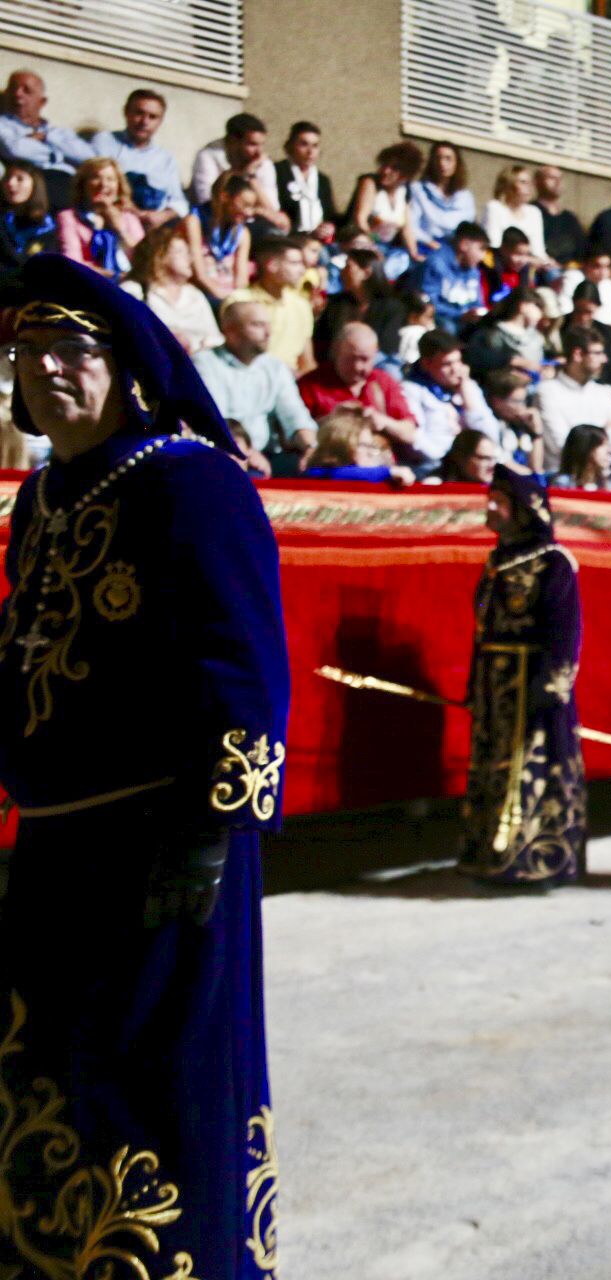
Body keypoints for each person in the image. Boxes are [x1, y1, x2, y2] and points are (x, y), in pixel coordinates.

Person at [0, 251, 289, 1280]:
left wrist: (214, 829)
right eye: (25, 352)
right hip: (51, 852)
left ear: (124, 363)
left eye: (67, 348)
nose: (43, 370)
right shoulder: (39, 500)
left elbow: (245, 662)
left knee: (154, 1082)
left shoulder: (193, 482)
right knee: (52, 1067)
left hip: (164, 851)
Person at [460, 462, 587, 886]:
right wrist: (474, 683)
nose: (489, 507)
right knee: (492, 766)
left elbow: (564, 630)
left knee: (530, 769)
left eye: (498, 500)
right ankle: (488, 852)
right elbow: (482, 631)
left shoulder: (553, 563)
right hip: (496, 686)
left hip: (532, 684)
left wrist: (552, 684)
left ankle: (534, 859)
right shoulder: (495, 562)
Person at [193, 299, 316, 475]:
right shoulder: (206, 363)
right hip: (224, 453)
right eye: (257, 325)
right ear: (230, 330)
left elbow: (295, 415)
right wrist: (247, 452)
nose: (268, 333)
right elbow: (216, 420)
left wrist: (310, 449)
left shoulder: (275, 367)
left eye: (268, 325)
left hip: (268, 454)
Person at [297, 321, 417, 458]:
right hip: (331, 466)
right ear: (336, 351)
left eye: (365, 359)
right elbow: (291, 435)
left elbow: (410, 433)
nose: (357, 366)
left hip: (375, 465)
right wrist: (332, 422)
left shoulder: (383, 382)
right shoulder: (310, 384)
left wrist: (383, 421)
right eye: (350, 359)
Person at [91, 88, 189, 227]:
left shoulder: (165, 159)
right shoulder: (105, 141)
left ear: (160, 121)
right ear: (126, 112)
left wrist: (162, 216)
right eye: (139, 113)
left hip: (150, 226)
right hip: (111, 218)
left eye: (152, 117)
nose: (144, 121)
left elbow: (179, 202)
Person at [401, 329, 500, 464]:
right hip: (434, 465)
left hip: (471, 465)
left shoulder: (468, 387)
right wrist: (447, 460)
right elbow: (416, 439)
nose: (456, 370)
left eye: (458, 361)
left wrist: (466, 394)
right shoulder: (411, 390)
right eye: (447, 364)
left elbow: (491, 436)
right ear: (426, 364)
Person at [125, 218, 220, 354]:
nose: (190, 259)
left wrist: (196, 347)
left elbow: (215, 338)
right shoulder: (135, 291)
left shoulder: (194, 295)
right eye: (181, 252)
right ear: (159, 256)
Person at [536, 327, 611, 461]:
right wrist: (605, 430)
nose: (604, 359)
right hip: (565, 478)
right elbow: (562, 446)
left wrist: (582, 435)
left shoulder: (602, 392)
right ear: (578, 354)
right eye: (597, 353)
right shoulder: (547, 392)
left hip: (604, 475)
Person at [0, 69, 92, 205]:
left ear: (42, 102)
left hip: (69, 183)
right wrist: (59, 154)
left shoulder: (58, 132)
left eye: (27, 90)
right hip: (35, 185)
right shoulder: (3, 125)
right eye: (13, 88)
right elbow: (14, 149)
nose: (18, 94)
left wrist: (46, 137)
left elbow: (89, 158)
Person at [229, 235, 316, 373]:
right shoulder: (240, 301)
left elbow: (307, 362)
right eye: (294, 263)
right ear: (272, 265)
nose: (302, 270)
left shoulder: (301, 305)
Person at [189, 112, 286, 230]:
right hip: (214, 223)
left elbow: (272, 209)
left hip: (250, 221)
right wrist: (241, 175)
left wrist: (251, 178)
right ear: (233, 141)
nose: (259, 152)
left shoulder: (262, 162)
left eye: (262, 144)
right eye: (252, 144)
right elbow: (208, 200)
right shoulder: (208, 156)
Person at [56, 156, 143, 280]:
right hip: (88, 284)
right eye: (96, 177)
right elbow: (72, 263)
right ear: (83, 185)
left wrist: (120, 229)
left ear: (119, 186)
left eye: (110, 179)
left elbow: (145, 260)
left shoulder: (129, 219)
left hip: (129, 287)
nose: (103, 184)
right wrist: (116, 276)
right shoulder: (69, 217)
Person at [348, 141, 424, 277]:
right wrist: (373, 248)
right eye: (385, 165)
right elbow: (360, 220)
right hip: (363, 242)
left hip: (388, 247)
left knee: (406, 261)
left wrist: (414, 253)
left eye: (394, 168)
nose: (386, 171)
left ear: (405, 175)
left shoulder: (404, 192)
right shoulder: (370, 183)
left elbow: (406, 227)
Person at [301, 404, 416, 486]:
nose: (370, 452)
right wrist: (388, 472)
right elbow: (338, 474)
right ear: (342, 447)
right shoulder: (319, 473)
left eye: (371, 446)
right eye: (364, 445)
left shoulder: (369, 477)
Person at [191, 170, 256, 302]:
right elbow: (199, 275)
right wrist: (222, 297)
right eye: (245, 205)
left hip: (229, 296)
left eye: (252, 207)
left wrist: (237, 299)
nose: (249, 212)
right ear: (224, 197)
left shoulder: (242, 233)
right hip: (202, 292)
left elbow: (241, 279)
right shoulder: (194, 222)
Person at [274, 121, 337, 239]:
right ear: (290, 146)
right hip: (288, 238)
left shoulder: (323, 180)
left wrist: (328, 227)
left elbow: (330, 215)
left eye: (315, 146)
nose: (310, 151)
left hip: (320, 239)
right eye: (304, 144)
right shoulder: (277, 172)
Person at [409, 140, 473, 251]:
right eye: (438, 158)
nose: (442, 163)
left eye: (448, 159)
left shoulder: (465, 197)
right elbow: (411, 225)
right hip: (425, 247)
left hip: (454, 250)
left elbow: (468, 230)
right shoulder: (418, 190)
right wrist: (429, 242)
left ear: (456, 163)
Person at [484, 165, 546, 263]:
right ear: (509, 184)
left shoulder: (534, 212)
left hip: (530, 266)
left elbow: (538, 252)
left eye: (530, 183)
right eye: (523, 182)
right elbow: (494, 246)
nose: (529, 187)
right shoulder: (495, 208)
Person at [0, 159, 56, 266]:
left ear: (34, 184)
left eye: (20, 179)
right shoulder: (3, 220)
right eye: (7, 178)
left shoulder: (48, 226)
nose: (10, 183)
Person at [533, 164, 585, 266]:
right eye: (552, 178)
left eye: (560, 178)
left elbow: (582, 249)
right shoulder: (531, 212)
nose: (557, 182)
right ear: (537, 182)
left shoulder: (570, 218)